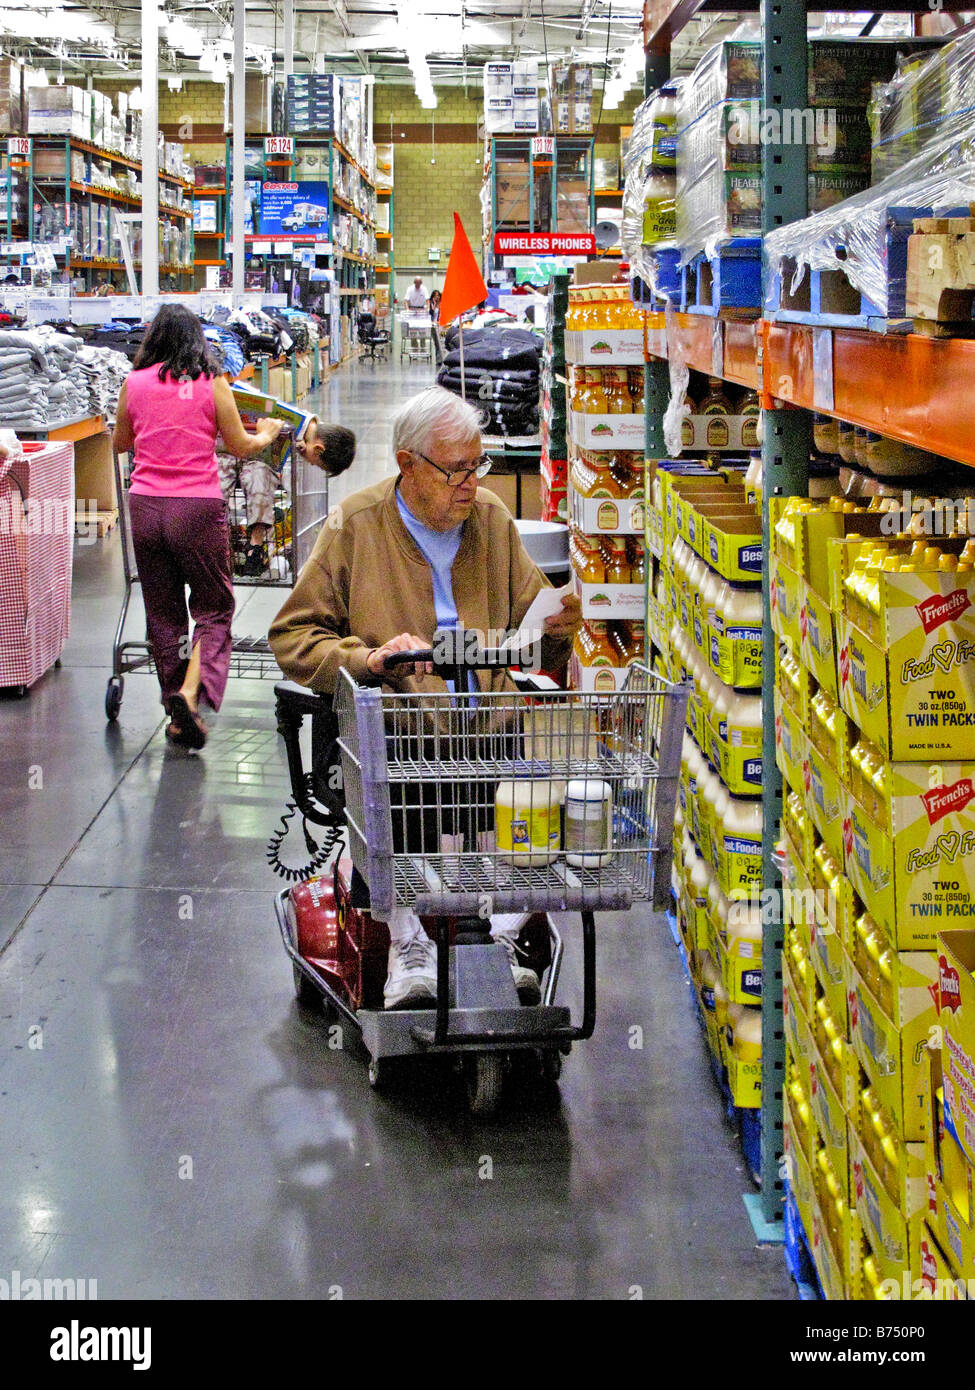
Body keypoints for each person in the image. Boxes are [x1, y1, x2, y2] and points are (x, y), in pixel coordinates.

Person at [269, 386, 582, 1010]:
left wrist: (553, 631)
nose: (469, 483)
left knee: (539, 816)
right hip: (397, 732)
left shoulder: (490, 519)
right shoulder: (355, 526)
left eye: (477, 466)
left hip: (488, 734)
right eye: (454, 470)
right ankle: (408, 945)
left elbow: (530, 622)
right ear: (408, 465)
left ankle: (501, 935)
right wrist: (366, 660)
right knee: (390, 810)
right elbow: (292, 635)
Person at [113, 304, 283, 749]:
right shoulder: (212, 384)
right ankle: (190, 694)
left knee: (163, 615)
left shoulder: (134, 383)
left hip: (146, 506)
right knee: (213, 607)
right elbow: (240, 446)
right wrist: (267, 432)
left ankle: (174, 708)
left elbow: (119, 442)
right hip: (196, 508)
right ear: (198, 342)